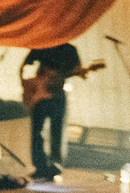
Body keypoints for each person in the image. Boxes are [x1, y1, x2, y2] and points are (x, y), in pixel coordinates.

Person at [20, 42, 84, 181]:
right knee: (41, 132)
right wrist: (33, 83)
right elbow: (25, 66)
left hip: (56, 93)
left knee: (54, 130)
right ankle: (42, 167)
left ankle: (53, 167)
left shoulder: (69, 49)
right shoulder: (43, 44)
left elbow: (76, 69)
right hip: (41, 93)